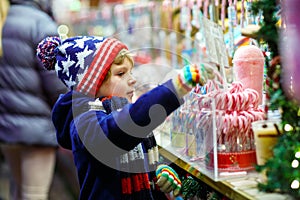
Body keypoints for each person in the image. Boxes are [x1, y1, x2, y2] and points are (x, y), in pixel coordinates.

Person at [36, 35, 213, 199]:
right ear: (91, 84)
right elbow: (119, 131)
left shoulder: (121, 110)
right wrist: (172, 90)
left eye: (131, 72)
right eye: (121, 74)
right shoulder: (84, 122)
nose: (132, 80)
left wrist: (158, 173)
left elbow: (138, 159)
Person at [0, 0, 67, 199]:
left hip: (6, 124)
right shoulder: (41, 23)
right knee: (34, 194)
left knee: (18, 190)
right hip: (37, 127)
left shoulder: (4, 18)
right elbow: (57, 83)